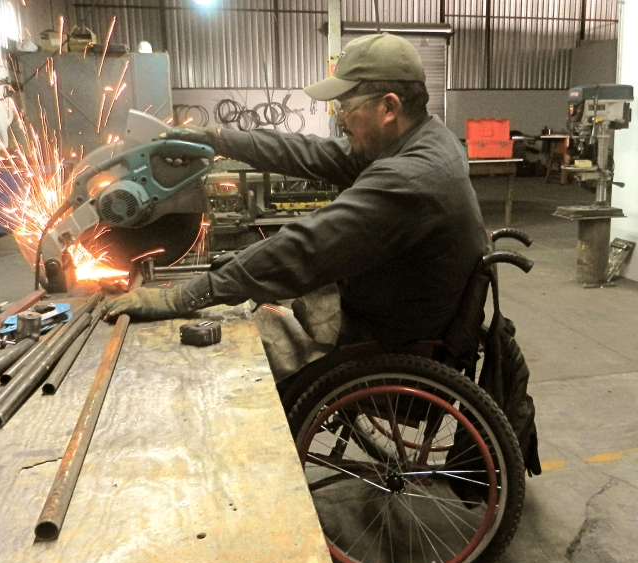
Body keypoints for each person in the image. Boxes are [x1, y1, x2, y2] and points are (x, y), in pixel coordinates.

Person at [105, 33, 488, 382]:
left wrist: (187, 295)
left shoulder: (411, 177)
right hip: (393, 301)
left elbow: (308, 245)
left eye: (346, 106)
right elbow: (308, 151)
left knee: (236, 354)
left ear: (389, 107)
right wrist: (217, 139)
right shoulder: (422, 137)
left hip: (386, 330)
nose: (339, 119)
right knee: (256, 284)